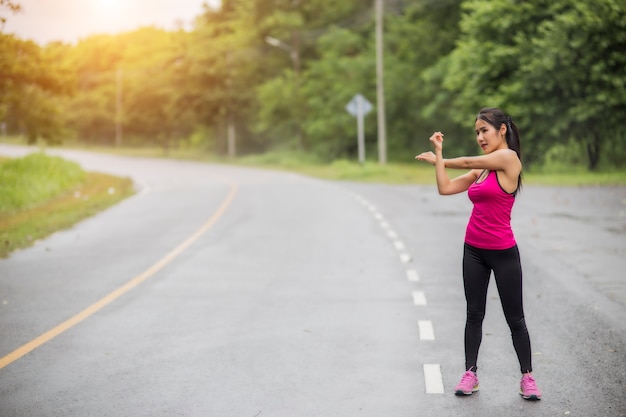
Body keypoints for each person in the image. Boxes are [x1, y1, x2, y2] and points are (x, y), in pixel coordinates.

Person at [415, 107, 541, 401]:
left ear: (502, 130)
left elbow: (470, 159)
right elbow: (445, 188)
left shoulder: (508, 159)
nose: (480, 137)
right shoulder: (482, 170)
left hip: (503, 252)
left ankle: (528, 377)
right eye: (477, 132)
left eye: (484, 130)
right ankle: (470, 373)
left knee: (515, 319)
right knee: (474, 314)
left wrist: (443, 159)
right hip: (473, 250)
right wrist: (439, 155)